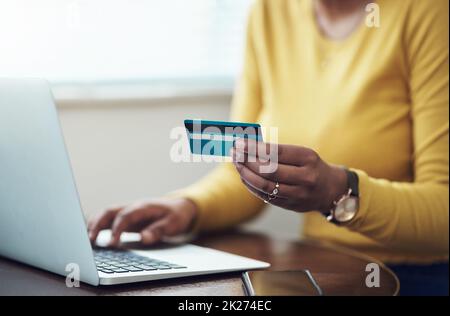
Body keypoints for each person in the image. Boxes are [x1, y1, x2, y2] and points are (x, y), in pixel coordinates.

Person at [88, 0, 449, 295]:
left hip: (416, 276)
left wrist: (339, 193)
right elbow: (247, 170)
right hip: (325, 267)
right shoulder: (269, 11)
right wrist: (189, 206)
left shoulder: (429, 13)